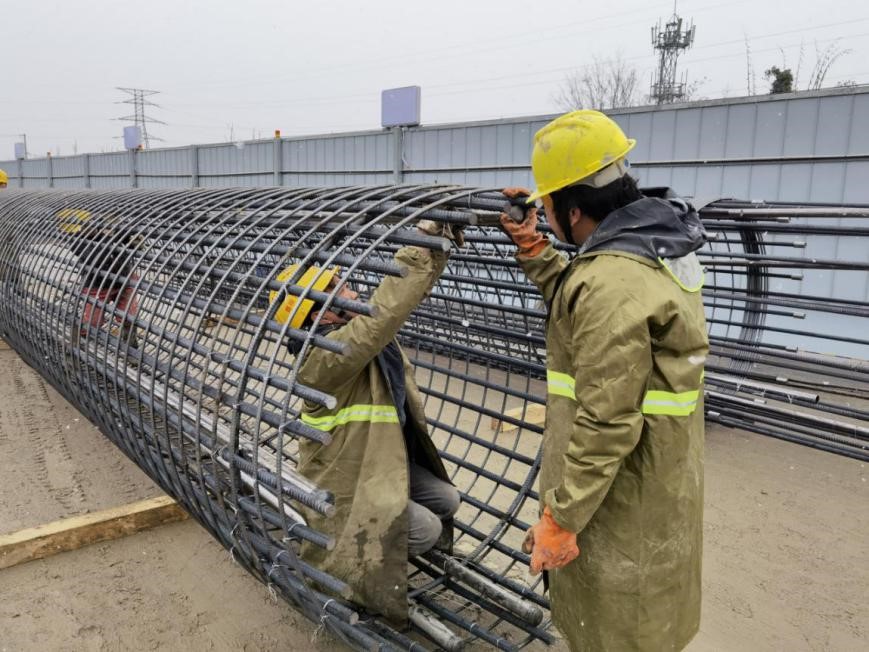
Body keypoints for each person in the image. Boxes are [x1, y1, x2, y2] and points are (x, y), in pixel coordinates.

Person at [499, 110, 708, 652]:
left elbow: (607, 419)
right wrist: (536, 252)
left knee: (620, 629)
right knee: (644, 620)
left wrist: (562, 519)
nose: (542, 214)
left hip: (621, 494)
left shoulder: (611, 281)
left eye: (546, 207)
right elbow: (584, 310)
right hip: (657, 476)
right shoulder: (649, 248)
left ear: (572, 207)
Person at [275, 221, 462, 623]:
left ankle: (386, 549)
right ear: (319, 314)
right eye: (338, 287)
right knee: (426, 529)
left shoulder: (356, 337)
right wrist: (415, 248)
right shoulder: (323, 359)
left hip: (376, 460)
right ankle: (359, 570)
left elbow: (403, 302)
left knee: (447, 499)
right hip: (347, 481)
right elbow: (385, 314)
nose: (351, 289)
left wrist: (436, 248)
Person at [57, 209, 140, 351]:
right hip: (97, 285)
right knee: (92, 322)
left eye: (91, 224)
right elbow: (100, 258)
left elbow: (129, 247)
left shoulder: (105, 233)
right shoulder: (78, 243)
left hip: (123, 280)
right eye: (85, 226)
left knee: (129, 317)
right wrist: (113, 239)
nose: (90, 227)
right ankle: (76, 346)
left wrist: (129, 240)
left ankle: (131, 348)